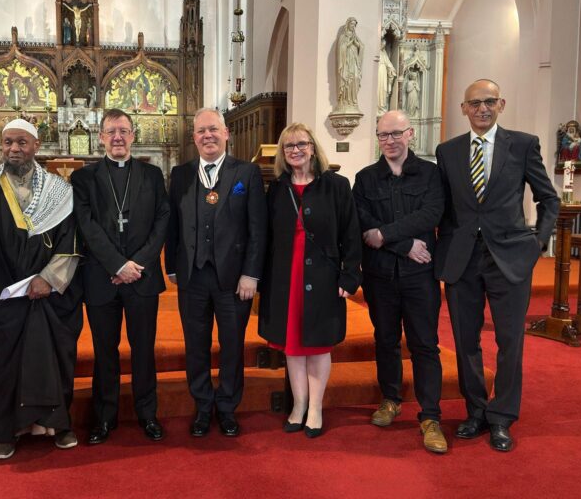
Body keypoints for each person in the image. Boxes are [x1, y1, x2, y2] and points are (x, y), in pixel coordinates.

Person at [435, 79, 559, 452]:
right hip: (462, 261)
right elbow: (442, 206)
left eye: (489, 101)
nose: (482, 109)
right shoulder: (447, 151)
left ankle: (502, 417)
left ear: (501, 104)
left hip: (509, 259)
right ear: (463, 109)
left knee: (510, 342)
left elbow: (548, 199)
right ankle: (476, 411)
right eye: (474, 103)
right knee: (465, 342)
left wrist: (537, 243)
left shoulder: (522, 144)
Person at [0, 118, 83, 459]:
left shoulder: (59, 190)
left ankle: (58, 424)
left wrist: (48, 279)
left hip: (49, 295)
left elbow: (71, 240)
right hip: (2, 295)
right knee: (2, 363)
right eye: (8, 142)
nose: (13, 148)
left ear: (37, 145)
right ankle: (5, 430)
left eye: (22, 142)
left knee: (55, 357)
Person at [165, 108, 267, 437]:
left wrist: (251, 274)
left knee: (232, 345)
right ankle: (202, 404)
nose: (207, 135)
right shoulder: (180, 174)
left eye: (213, 129)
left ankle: (226, 406)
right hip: (192, 277)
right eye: (200, 131)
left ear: (226, 133)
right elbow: (172, 226)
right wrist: (171, 267)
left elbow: (257, 229)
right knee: (196, 345)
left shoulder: (246, 173)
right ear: (193, 137)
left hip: (234, 279)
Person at [71, 109, 170, 444]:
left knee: (144, 350)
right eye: (111, 131)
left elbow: (162, 222)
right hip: (102, 278)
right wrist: (117, 265)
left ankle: (148, 414)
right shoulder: (84, 179)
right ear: (100, 136)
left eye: (123, 131)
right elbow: (87, 226)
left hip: (142, 277)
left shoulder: (153, 175)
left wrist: (136, 265)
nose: (117, 137)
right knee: (105, 351)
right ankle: (104, 417)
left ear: (133, 135)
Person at [258, 123, 361, 439]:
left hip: (323, 276)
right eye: (288, 146)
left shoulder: (337, 186)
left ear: (313, 148)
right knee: (293, 346)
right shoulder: (277, 189)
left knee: (317, 346)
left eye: (301, 144)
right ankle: (298, 405)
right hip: (285, 277)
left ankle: (315, 407)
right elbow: (267, 237)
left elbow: (352, 234)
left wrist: (350, 274)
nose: (295, 150)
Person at [352, 111, 446, 453]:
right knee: (386, 340)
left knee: (424, 344)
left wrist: (386, 235)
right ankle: (390, 399)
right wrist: (405, 244)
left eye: (395, 134)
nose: (389, 141)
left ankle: (430, 415)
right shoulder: (365, 179)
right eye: (382, 135)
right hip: (380, 276)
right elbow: (362, 220)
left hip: (420, 277)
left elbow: (431, 214)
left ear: (410, 134)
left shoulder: (432, 174)